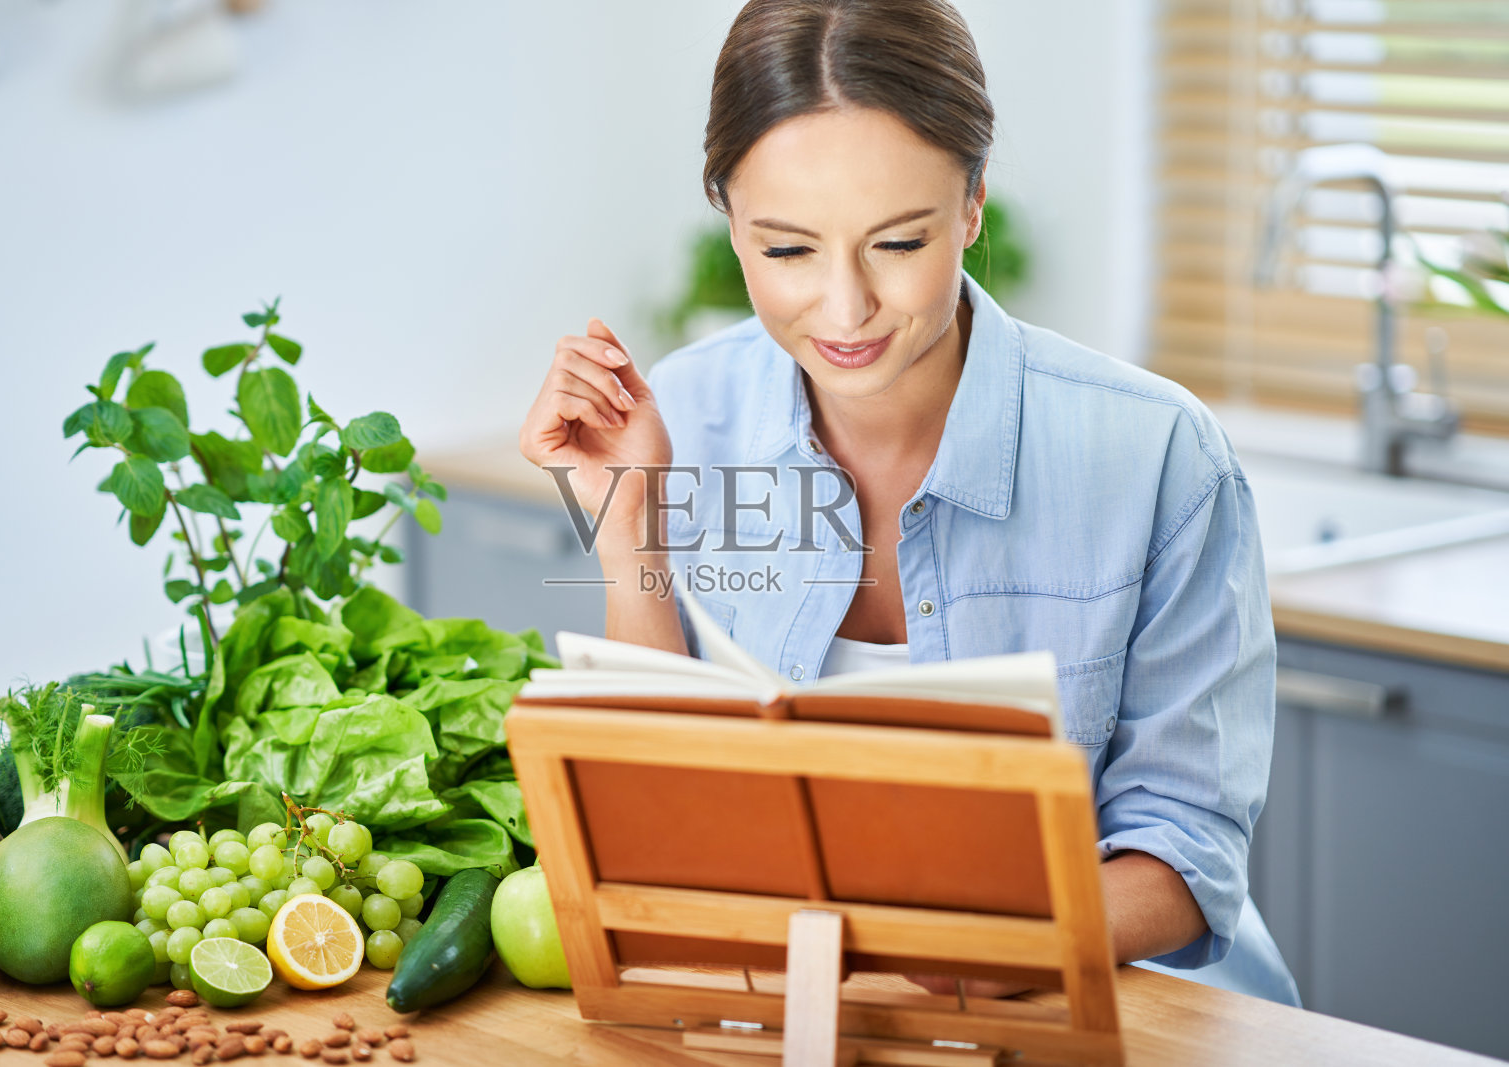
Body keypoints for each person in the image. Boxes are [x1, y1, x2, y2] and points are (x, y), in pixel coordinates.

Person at [519, 0, 1300, 1007]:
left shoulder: (1153, 452)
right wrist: (630, 530)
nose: (844, 310)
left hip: (1113, 1005)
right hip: (815, 1008)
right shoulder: (685, 412)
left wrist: (1004, 942)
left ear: (971, 203)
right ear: (729, 217)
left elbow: (1188, 852)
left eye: (896, 242)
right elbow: (666, 812)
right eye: (787, 250)